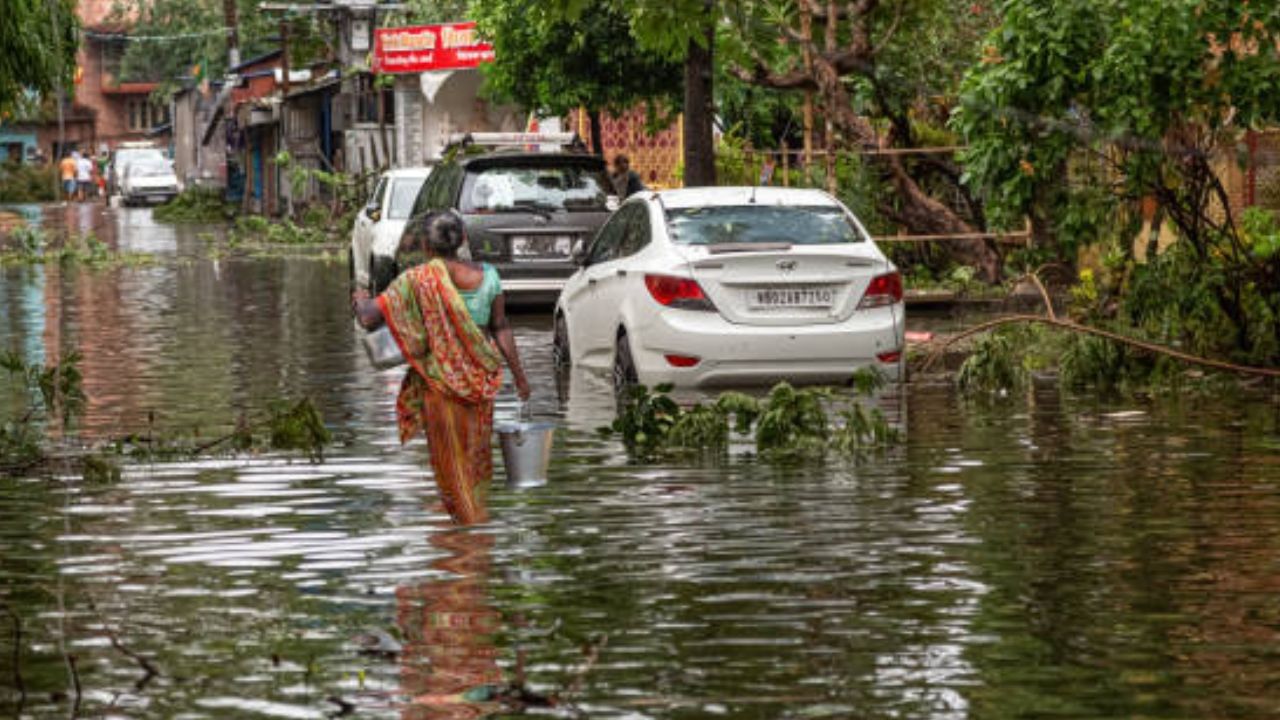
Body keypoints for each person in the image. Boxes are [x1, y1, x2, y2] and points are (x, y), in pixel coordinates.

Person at [351, 212, 531, 525]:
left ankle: (465, 538)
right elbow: (501, 327)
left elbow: (369, 318)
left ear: (425, 245)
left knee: (450, 465)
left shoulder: (416, 280)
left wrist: (360, 298)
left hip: (440, 389)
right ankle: (470, 531)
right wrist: (519, 377)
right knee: (473, 460)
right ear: (463, 240)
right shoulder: (489, 276)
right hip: (480, 386)